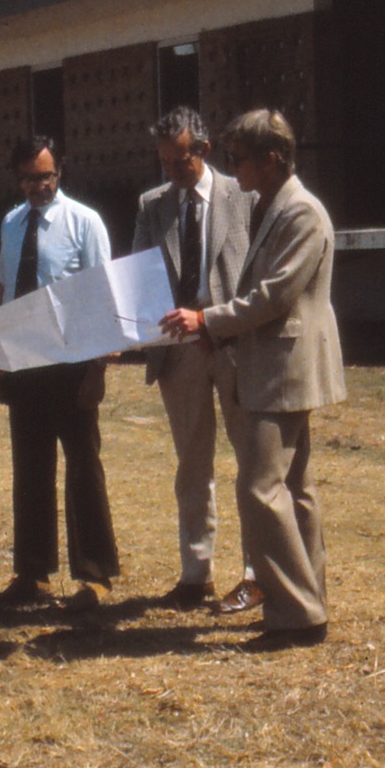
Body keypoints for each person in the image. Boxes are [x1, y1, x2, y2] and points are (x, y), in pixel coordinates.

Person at [159, 110, 344, 650]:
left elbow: (274, 296)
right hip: (272, 363)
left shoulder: (301, 212)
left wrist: (207, 321)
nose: (231, 166)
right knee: (294, 489)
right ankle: (308, 601)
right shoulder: (270, 206)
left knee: (260, 488)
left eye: (238, 158)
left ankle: (295, 615)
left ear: (272, 159)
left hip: (284, 369)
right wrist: (220, 334)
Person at [131, 107, 261, 613]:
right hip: (178, 352)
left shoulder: (244, 196)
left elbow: (258, 275)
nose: (171, 172)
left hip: (233, 346)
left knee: (252, 461)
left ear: (204, 151)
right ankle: (195, 572)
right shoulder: (152, 206)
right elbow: (140, 277)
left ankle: (255, 574)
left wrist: (215, 324)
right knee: (192, 463)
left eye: (179, 162)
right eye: (163, 163)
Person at [0, 137, 121, 612]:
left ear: (59, 172)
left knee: (83, 467)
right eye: (29, 178)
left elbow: (103, 295)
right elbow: (5, 291)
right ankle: (32, 573)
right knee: (30, 470)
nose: (37, 186)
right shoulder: (11, 223)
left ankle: (95, 575)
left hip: (72, 364)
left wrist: (97, 370)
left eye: (45, 176)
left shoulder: (84, 222)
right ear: (18, 178)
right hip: (25, 362)